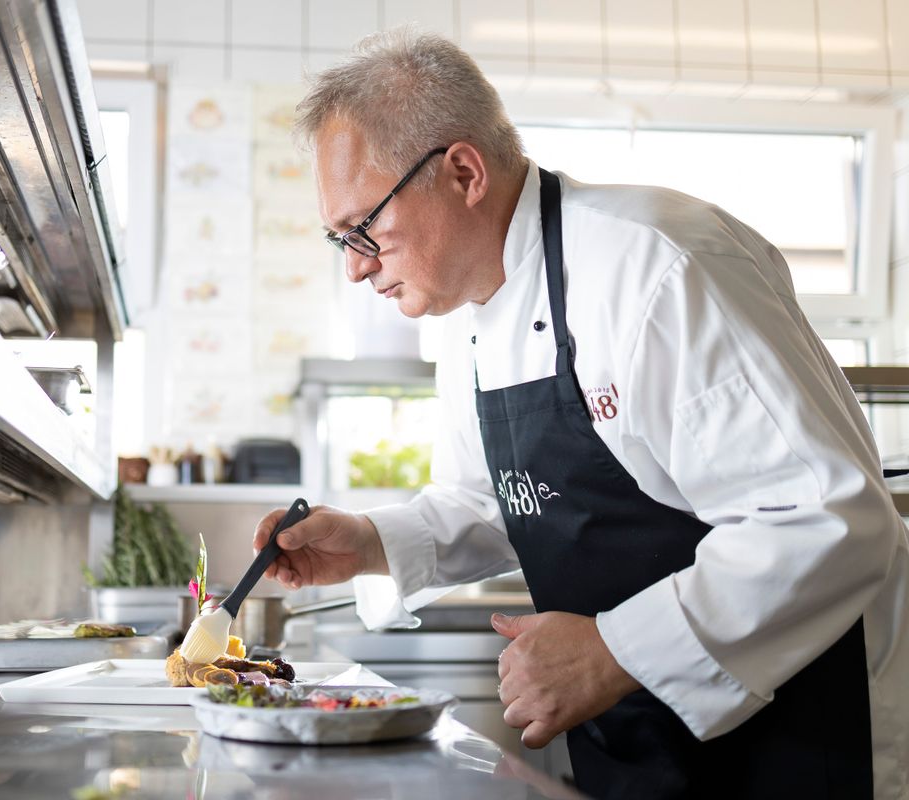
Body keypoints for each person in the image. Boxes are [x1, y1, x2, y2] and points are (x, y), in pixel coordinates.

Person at [252, 27, 909, 800]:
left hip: (800, 732)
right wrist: (370, 543)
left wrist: (615, 650)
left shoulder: (657, 265)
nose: (357, 266)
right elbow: (503, 500)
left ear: (463, 172)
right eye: (339, 239)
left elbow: (826, 519)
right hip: (639, 741)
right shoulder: (467, 313)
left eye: (365, 226)